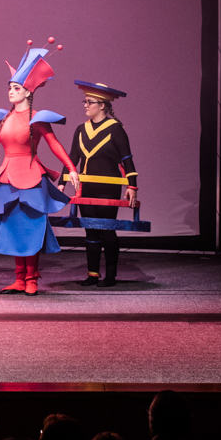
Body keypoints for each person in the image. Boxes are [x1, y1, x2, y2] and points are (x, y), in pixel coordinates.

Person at [0, 39, 79, 296]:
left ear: (27, 92)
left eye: (16, 88)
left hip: (31, 178)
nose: (11, 92)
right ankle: (19, 278)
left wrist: (71, 168)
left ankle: (32, 278)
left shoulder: (37, 119)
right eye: (10, 88)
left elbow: (54, 144)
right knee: (12, 227)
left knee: (30, 228)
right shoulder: (5, 118)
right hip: (7, 178)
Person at [59, 81, 137, 287]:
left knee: (107, 229)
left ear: (102, 105)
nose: (85, 105)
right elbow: (72, 158)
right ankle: (93, 273)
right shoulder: (81, 129)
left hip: (108, 188)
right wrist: (62, 182)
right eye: (84, 101)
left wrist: (132, 186)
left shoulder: (115, 129)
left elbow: (127, 159)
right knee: (90, 230)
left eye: (90, 102)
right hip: (86, 187)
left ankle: (110, 276)